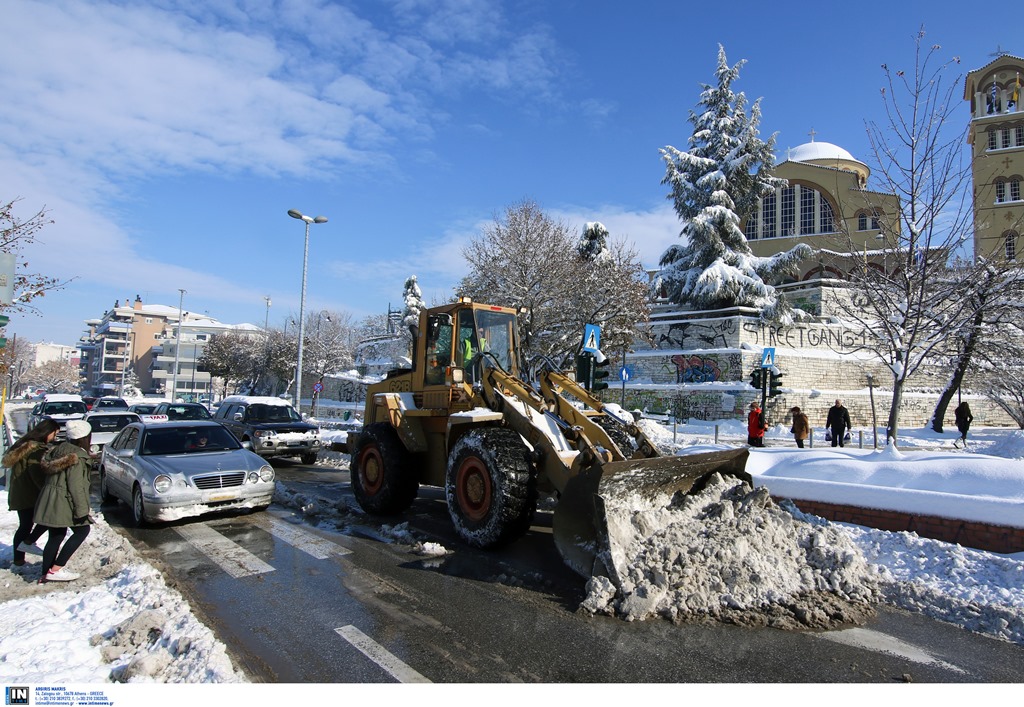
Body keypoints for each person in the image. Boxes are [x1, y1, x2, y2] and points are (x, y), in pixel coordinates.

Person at [34, 420, 95, 583]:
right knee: (83, 530)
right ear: (85, 437)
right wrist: (82, 511)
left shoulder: (58, 449)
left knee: (55, 535)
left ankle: (45, 574)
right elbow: (76, 486)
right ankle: (56, 569)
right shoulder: (77, 457)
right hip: (64, 500)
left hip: (50, 497)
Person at [3, 418, 60, 566]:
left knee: (25, 525)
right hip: (30, 494)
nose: (55, 437)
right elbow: (37, 475)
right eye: (55, 434)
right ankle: (27, 544)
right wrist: (46, 490)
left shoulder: (24, 445)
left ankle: (19, 558)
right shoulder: (36, 450)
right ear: (47, 432)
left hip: (21, 492)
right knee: (47, 519)